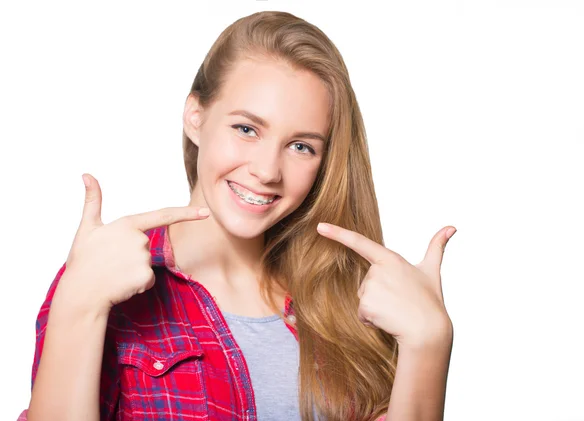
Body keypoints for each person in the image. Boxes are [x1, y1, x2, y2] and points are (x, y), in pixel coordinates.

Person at [20, 10, 456, 421]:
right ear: (195, 116)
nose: (267, 171)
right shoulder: (104, 283)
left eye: (301, 146)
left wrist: (428, 345)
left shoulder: (345, 303)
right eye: (247, 129)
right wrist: (78, 306)